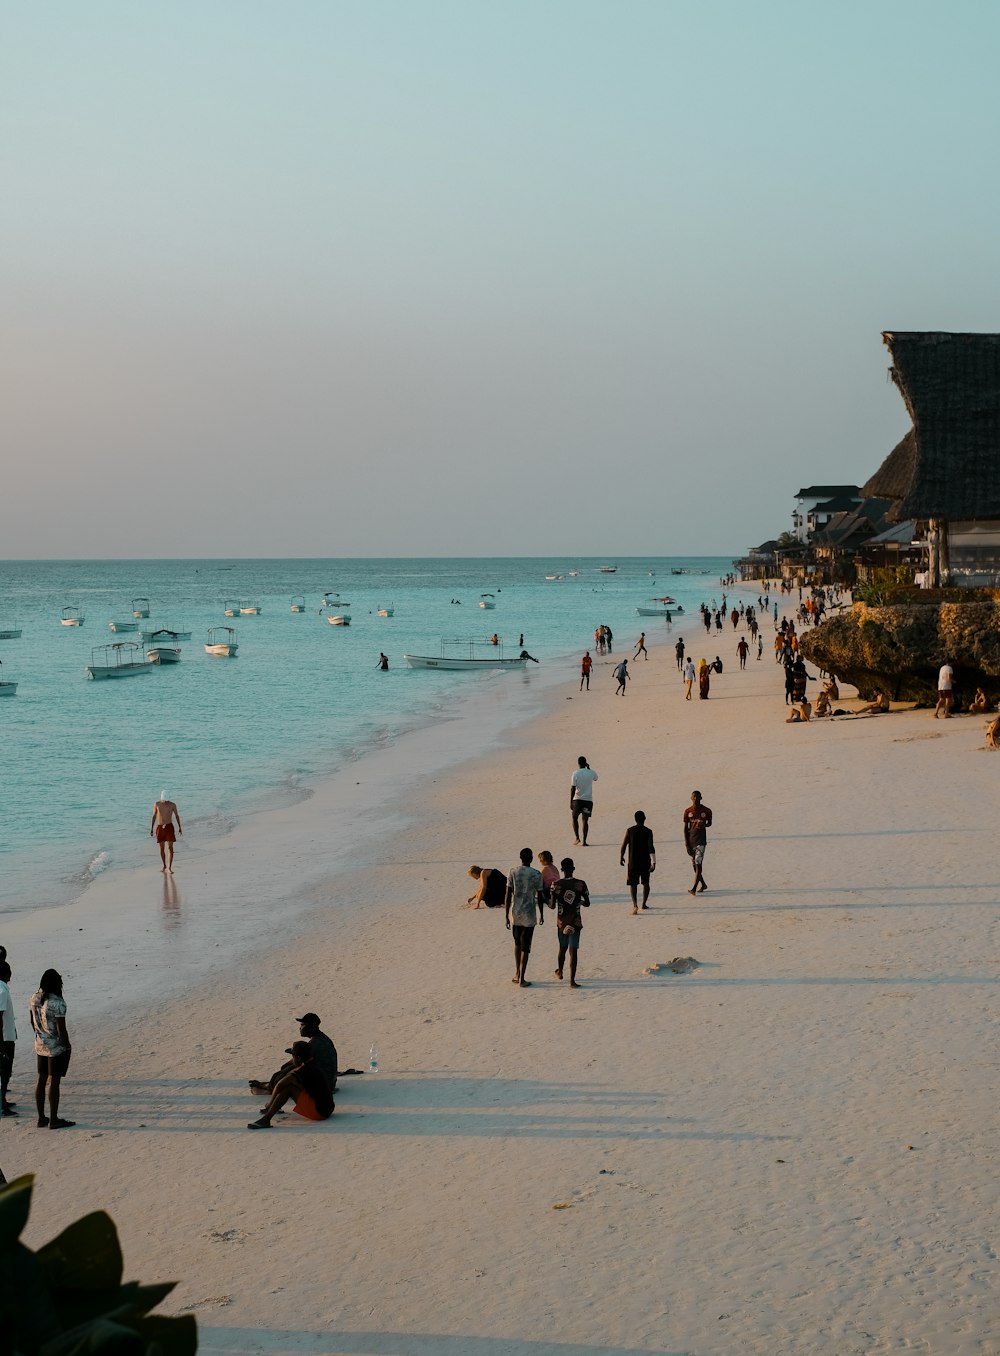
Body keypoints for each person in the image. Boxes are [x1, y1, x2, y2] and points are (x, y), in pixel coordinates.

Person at [249, 1013, 338, 1100]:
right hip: (330, 1081)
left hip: (324, 1085)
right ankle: (269, 1085)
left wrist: (283, 1072)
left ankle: (269, 1087)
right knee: (287, 1070)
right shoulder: (323, 1038)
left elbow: (298, 1063)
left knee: (286, 1074)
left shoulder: (314, 1044)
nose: (300, 1028)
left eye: (302, 1025)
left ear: (311, 1026)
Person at [248, 1041, 334, 1129]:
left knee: (288, 1088)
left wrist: (270, 1105)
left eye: (293, 1057)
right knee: (291, 1085)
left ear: (299, 1058)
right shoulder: (314, 1064)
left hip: (320, 1112)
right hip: (328, 1108)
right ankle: (273, 1111)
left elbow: (279, 1085)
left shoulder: (303, 1070)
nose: (292, 1060)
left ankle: (266, 1119)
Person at [29, 969, 73, 1129]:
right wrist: (67, 1046)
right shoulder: (58, 1003)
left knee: (41, 1080)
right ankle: (54, 1119)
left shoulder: (35, 997)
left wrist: (40, 1035)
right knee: (54, 1082)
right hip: (55, 1047)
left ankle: (41, 1118)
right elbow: (62, 1030)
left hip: (40, 1044)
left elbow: (32, 1021)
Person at [505, 848, 545, 987]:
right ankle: (522, 978)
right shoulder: (536, 874)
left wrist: (506, 915)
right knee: (526, 946)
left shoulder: (513, 871)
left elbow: (508, 894)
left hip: (515, 912)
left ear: (520, 857)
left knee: (517, 944)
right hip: (529, 913)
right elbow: (540, 896)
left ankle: (517, 973)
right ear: (531, 858)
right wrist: (541, 914)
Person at [548, 857, 590, 988]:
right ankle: (572, 981)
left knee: (562, 948)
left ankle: (560, 971)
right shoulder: (581, 884)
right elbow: (587, 903)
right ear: (573, 869)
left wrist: (544, 899)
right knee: (574, 950)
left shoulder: (556, 885)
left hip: (562, 922)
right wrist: (580, 902)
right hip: (575, 921)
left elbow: (552, 906)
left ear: (561, 869)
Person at [620, 811, 656, 913]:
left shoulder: (630, 830)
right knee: (646, 883)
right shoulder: (648, 831)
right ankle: (644, 904)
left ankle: (635, 905)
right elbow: (651, 847)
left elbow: (624, 845)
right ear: (644, 818)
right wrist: (654, 862)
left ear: (635, 819)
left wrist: (621, 856)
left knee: (633, 884)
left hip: (633, 862)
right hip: (645, 862)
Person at [682, 790, 712, 896]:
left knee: (698, 863)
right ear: (691, 798)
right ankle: (703, 884)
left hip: (701, 841)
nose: (695, 798)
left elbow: (710, 823)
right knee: (695, 865)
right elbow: (685, 829)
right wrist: (687, 844)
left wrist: (705, 825)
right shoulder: (687, 811)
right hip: (691, 841)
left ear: (701, 798)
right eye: (694, 796)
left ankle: (694, 888)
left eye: (697, 796)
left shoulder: (707, 810)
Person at [150, 791, 182, 873]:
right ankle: (164, 865)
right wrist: (151, 828)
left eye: (167, 799)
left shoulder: (172, 805)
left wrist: (179, 827)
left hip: (169, 827)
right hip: (160, 828)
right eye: (164, 799)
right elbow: (154, 816)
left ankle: (169, 867)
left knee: (170, 848)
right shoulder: (157, 804)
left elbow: (177, 816)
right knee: (161, 848)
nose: (166, 801)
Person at [0, 956, 16, 1115]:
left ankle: (3, 1101)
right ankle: (2, 1105)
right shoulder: (2, 990)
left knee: (4, 1071)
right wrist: (2, 1044)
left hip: (6, 1036)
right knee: (4, 1071)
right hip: (4, 1038)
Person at [570, 755, 598, 846]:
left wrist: (571, 801)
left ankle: (577, 838)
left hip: (577, 801)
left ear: (578, 763)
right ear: (585, 763)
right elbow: (596, 778)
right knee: (585, 820)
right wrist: (589, 768)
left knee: (574, 818)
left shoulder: (575, 773)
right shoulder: (591, 772)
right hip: (588, 801)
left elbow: (572, 788)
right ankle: (584, 842)